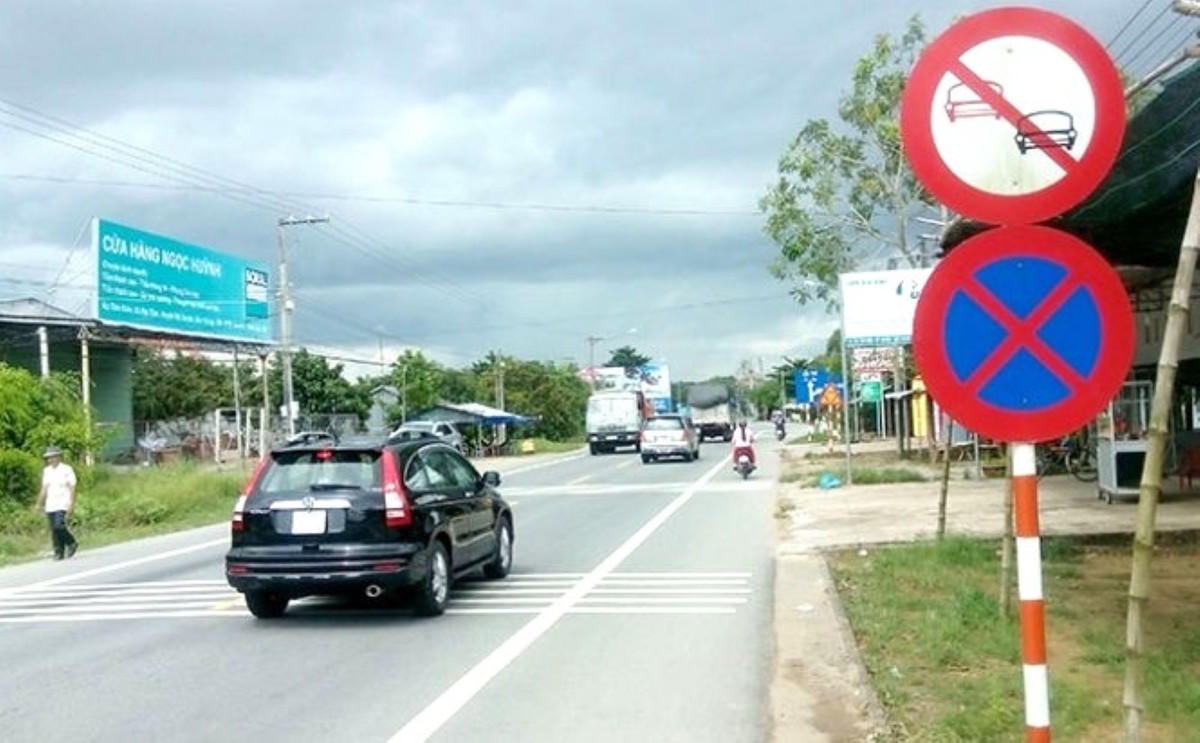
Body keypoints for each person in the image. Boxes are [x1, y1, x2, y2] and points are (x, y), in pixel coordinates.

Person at [34, 446, 78, 560]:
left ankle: (71, 542)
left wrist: (72, 504)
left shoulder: (66, 469)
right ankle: (59, 552)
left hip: (63, 502)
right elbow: (44, 488)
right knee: (54, 529)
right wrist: (39, 503)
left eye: (53, 457)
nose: (51, 460)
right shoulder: (47, 471)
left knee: (59, 526)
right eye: (49, 458)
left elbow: (72, 487)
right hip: (51, 504)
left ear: (58, 457)